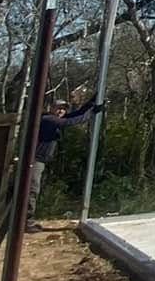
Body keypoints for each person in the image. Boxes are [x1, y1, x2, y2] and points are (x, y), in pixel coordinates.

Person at [27, 89, 102, 229]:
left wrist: (92, 101)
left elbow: (76, 114)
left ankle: (24, 220)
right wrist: (93, 112)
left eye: (63, 109)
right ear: (51, 108)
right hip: (34, 161)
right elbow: (72, 121)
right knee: (32, 191)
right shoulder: (47, 119)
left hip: (40, 161)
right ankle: (26, 222)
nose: (61, 111)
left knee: (31, 190)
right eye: (59, 108)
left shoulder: (55, 119)